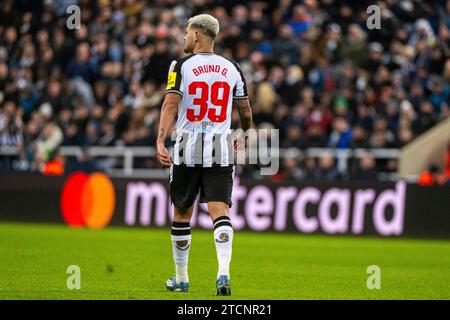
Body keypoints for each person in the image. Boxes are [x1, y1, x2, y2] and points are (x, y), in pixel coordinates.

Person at [156, 14, 252, 296]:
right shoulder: (232, 67)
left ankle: (181, 279)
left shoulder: (180, 66)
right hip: (220, 150)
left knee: (182, 213)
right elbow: (245, 110)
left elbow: (170, 104)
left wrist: (161, 140)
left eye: (187, 32)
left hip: (186, 149)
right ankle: (223, 274)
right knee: (220, 212)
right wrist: (245, 135)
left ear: (197, 35)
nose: (184, 36)